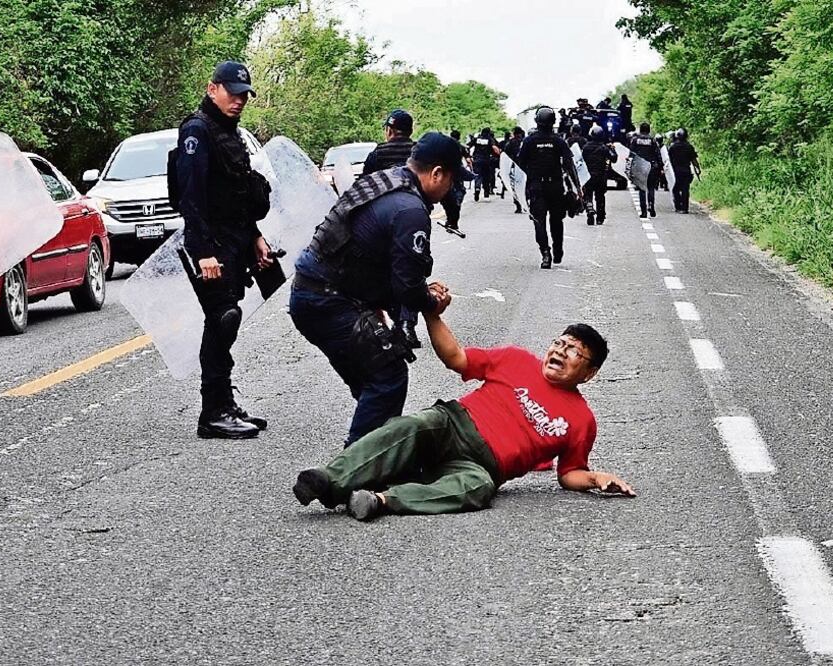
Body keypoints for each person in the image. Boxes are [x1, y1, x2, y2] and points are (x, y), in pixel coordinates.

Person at [293, 312, 635, 521]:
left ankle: (380, 501)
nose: (561, 351)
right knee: (412, 426)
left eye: (574, 351)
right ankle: (329, 480)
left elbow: (570, 472)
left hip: (484, 466)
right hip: (452, 424)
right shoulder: (515, 359)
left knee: (478, 490)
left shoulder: (581, 420)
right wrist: (432, 314)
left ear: (589, 373)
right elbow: (456, 357)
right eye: (559, 343)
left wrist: (595, 479)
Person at [289, 132, 473, 446]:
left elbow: (385, 269)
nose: (453, 189)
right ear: (437, 173)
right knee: (387, 378)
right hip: (328, 301)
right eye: (453, 180)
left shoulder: (385, 180)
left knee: (372, 384)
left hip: (315, 294)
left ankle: (377, 459)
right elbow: (408, 290)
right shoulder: (411, 210)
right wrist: (432, 302)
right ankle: (355, 471)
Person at [175, 61, 274, 440]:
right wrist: (203, 252)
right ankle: (212, 412)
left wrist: (255, 236)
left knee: (226, 319)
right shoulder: (197, 131)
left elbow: (236, 194)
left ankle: (224, 403)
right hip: (210, 245)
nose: (239, 100)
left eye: (244, 94)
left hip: (234, 240)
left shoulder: (229, 132)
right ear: (212, 88)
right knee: (222, 319)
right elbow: (191, 197)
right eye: (232, 92)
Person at [362, 110, 420, 347]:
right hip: (413, 220)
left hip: (382, 221)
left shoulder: (377, 153)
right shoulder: (419, 152)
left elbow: (363, 187)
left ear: (388, 130)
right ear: (410, 131)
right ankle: (408, 324)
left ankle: (390, 323)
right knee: (411, 270)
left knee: (385, 270)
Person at [516, 106, 581, 269]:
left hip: (536, 187)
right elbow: (569, 165)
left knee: (539, 222)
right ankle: (558, 249)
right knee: (556, 221)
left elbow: (519, 166)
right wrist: (578, 186)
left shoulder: (529, 141)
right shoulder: (559, 140)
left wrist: (521, 190)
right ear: (553, 122)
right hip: (556, 186)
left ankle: (545, 254)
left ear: (537, 121)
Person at [581, 126, 617, 225]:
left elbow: (580, 161)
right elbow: (614, 159)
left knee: (588, 194)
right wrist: (613, 149)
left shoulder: (586, 147)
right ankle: (600, 217)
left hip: (588, 175)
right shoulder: (604, 148)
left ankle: (589, 207)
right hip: (601, 175)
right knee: (600, 196)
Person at [362, 109, 415, 176]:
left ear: (389, 131)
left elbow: (364, 180)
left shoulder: (378, 153)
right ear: (411, 131)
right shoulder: (420, 151)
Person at [440, 130, 473, 233]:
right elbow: (468, 159)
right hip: (457, 172)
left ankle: (450, 220)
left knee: (446, 197)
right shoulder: (461, 146)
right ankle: (453, 222)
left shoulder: (444, 145)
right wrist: (471, 168)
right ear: (459, 137)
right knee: (458, 195)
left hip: (445, 173)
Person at [628, 122, 663, 219]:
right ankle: (651, 204)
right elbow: (658, 154)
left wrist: (630, 168)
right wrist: (660, 167)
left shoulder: (635, 140)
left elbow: (631, 154)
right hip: (651, 167)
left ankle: (643, 212)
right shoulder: (652, 141)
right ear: (648, 130)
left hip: (640, 167)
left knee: (642, 189)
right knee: (651, 188)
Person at [667, 128, 701, 213]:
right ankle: (685, 208)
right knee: (685, 189)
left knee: (676, 189)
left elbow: (668, 159)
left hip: (675, 172)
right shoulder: (689, 146)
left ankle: (678, 207)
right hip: (686, 171)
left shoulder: (672, 146)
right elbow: (694, 160)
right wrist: (697, 168)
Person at [471, 128, 500, 201]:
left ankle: (477, 188)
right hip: (486, 161)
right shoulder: (489, 139)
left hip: (477, 160)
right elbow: (494, 148)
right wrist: (500, 154)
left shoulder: (477, 139)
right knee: (486, 177)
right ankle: (486, 195)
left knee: (477, 176)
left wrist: (469, 156)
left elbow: (468, 146)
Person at [503, 127, 526, 214]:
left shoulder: (510, 143)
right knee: (525, 186)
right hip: (524, 167)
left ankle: (518, 205)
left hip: (514, 167)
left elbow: (506, 155)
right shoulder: (525, 141)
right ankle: (525, 202)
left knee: (515, 187)